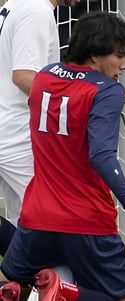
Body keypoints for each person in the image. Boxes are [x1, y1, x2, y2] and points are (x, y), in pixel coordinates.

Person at [0, 11, 125, 301]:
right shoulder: (107, 91)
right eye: (119, 55)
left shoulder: (45, 76)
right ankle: (67, 294)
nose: (124, 65)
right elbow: (101, 156)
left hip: (38, 217)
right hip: (87, 220)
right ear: (95, 54)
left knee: (10, 284)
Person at [0, 0, 80, 226]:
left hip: (10, 129)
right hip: (17, 135)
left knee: (26, 224)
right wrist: (78, 102)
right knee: (58, 219)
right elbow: (23, 76)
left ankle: (16, 262)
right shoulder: (36, 9)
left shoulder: (15, 4)